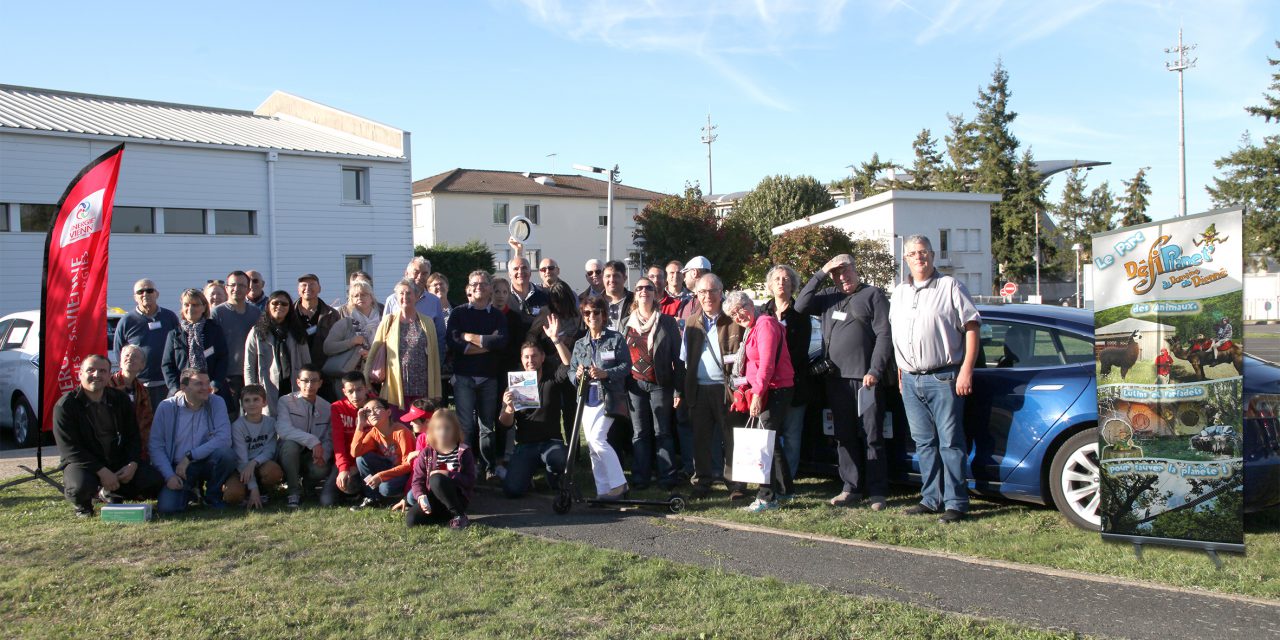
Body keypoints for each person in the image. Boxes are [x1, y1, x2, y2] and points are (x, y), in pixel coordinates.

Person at [889, 235, 981, 524]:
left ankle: (956, 503)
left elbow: (972, 326)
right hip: (911, 380)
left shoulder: (950, 286)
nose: (919, 258)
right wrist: (901, 371)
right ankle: (931, 498)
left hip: (944, 377)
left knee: (950, 443)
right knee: (923, 442)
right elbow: (896, 336)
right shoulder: (899, 292)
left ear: (933, 255)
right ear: (906, 258)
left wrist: (967, 368)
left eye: (924, 252)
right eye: (913, 254)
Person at [796, 255, 893, 509]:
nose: (843, 277)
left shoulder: (873, 295)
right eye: (836, 273)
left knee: (872, 435)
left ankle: (877, 491)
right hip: (836, 380)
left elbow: (884, 334)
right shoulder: (829, 295)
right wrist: (820, 272)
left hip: (866, 379)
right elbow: (800, 306)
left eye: (846, 271)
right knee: (844, 436)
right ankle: (851, 487)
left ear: (855, 269)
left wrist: (875, 369)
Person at [52, 355, 162, 517]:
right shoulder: (65, 406)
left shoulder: (120, 399)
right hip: (84, 464)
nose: (96, 375)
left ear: (109, 375)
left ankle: (111, 493)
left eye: (102, 371)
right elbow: (70, 449)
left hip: (117, 460)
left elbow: (133, 436)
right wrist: (101, 471)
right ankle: (84, 506)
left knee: (155, 481)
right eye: (91, 370)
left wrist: (132, 464)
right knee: (79, 488)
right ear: (80, 374)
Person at [723, 291, 796, 512]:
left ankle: (766, 497)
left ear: (750, 304)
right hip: (766, 389)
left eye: (741, 309)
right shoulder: (752, 328)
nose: (739, 316)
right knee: (771, 442)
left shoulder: (765, 325)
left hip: (775, 390)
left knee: (763, 443)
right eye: (733, 314)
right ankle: (785, 490)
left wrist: (757, 394)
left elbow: (766, 364)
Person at [679, 273, 745, 499]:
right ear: (696, 295)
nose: (708, 296)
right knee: (701, 439)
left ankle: (736, 485)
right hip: (699, 388)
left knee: (732, 438)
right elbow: (685, 359)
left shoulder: (734, 320)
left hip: (728, 389)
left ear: (721, 292)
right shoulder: (690, 322)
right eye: (703, 292)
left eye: (712, 291)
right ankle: (702, 482)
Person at [446, 270, 509, 480]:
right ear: (468, 289)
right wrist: (486, 343)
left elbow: (500, 342)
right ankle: (467, 467)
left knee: (487, 426)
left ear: (490, 289)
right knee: (466, 426)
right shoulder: (458, 313)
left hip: (488, 378)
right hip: (464, 376)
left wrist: (469, 338)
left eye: (483, 284)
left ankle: (488, 466)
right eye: (474, 284)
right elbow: (454, 342)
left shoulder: (498, 316)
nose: (478, 287)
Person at [622, 276, 684, 490]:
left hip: (661, 383)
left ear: (655, 293)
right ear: (635, 293)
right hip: (634, 386)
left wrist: (678, 389)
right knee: (640, 433)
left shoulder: (666, 322)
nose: (643, 291)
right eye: (639, 288)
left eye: (648, 287)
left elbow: (678, 358)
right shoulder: (626, 323)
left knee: (663, 431)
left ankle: (667, 477)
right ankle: (641, 477)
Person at [568, 296, 632, 500]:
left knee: (597, 439)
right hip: (586, 399)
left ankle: (620, 484)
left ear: (604, 315)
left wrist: (606, 374)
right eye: (587, 313)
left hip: (609, 396)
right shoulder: (580, 344)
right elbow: (570, 370)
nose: (592, 316)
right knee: (593, 449)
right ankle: (603, 490)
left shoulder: (616, 339)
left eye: (596, 312)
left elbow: (626, 367)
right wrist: (576, 375)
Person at [150, 368, 237, 513]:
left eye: (207, 383)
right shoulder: (166, 407)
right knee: (168, 508)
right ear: (184, 387)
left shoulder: (217, 402)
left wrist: (190, 456)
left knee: (226, 455)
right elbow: (155, 446)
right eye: (199, 384)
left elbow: (224, 439)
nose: (206, 388)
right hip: (179, 468)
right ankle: (190, 491)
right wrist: (169, 476)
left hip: (207, 461)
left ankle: (212, 496)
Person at [760, 265, 812, 483]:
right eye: (777, 279)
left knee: (791, 435)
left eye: (786, 279)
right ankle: (767, 477)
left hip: (794, 383)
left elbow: (800, 351)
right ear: (770, 285)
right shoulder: (762, 312)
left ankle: (787, 481)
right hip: (767, 385)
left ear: (793, 285)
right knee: (768, 434)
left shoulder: (800, 314)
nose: (782, 282)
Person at [499, 341, 569, 498]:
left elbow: (568, 365)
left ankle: (553, 477)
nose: (530, 360)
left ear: (543, 357)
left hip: (552, 442)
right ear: (521, 359)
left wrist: (556, 340)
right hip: (525, 445)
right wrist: (509, 409)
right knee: (512, 490)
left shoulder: (553, 379)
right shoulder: (515, 385)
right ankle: (527, 475)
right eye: (526, 357)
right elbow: (505, 424)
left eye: (534, 356)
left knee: (558, 459)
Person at [366, 278, 442, 412]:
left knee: (420, 428)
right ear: (396, 297)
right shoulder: (388, 321)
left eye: (409, 293)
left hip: (422, 386)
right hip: (395, 387)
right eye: (401, 293)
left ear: (417, 296)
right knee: (398, 427)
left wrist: (436, 390)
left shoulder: (427, 322)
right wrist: (366, 380)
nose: (404, 297)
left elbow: (434, 357)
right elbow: (374, 352)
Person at [529, 281, 585, 442]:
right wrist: (536, 353)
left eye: (562, 302)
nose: (559, 306)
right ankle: (552, 441)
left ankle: (573, 450)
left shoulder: (577, 315)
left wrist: (570, 340)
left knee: (571, 411)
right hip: (551, 366)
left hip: (571, 367)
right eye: (555, 301)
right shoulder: (547, 313)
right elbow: (532, 335)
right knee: (550, 407)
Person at [114, 278, 180, 410]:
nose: (145, 294)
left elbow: (179, 347)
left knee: (165, 424)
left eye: (149, 290)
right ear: (135, 297)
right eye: (140, 292)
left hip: (167, 383)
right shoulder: (127, 321)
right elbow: (119, 352)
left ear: (157, 294)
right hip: (139, 384)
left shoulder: (169, 317)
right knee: (142, 423)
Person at [275, 364, 333, 508]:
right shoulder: (285, 401)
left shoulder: (327, 407)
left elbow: (329, 437)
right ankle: (293, 491)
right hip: (289, 454)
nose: (309, 385)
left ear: (320, 383)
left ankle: (309, 486)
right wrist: (312, 441)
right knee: (290, 446)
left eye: (314, 381)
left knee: (321, 468)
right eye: (305, 380)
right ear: (298, 382)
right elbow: (283, 429)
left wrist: (323, 456)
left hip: (313, 454)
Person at [406, 409, 476, 529]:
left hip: (456, 498)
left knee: (436, 478)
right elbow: (417, 480)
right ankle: (447, 517)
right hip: (433, 498)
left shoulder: (463, 451)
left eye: (447, 428)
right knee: (411, 520)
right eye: (438, 428)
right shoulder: (426, 452)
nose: (443, 433)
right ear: (432, 430)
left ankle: (459, 515)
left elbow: (470, 481)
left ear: (455, 430)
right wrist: (420, 496)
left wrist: (449, 475)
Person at [243, 290, 311, 413]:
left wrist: (307, 385)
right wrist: (250, 391)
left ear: (289, 308)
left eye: (284, 304)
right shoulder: (257, 332)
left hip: (293, 385)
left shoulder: (298, 331)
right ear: (268, 305)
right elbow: (249, 365)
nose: (279, 306)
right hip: (268, 386)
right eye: (275, 303)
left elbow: (307, 363)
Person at [161, 288, 229, 406]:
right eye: (186, 304)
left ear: (203, 307)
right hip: (183, 394)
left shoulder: (214, 330)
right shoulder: (174, 334)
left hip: (212, 392)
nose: (190, 308)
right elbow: (167, 365)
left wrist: (215, 384)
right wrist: (176, 389)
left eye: (195, 305)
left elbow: (223, 358)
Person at [349, 397, 416, 509]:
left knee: (385, 488)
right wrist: (360, 425)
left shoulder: (401, 432)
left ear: (388, 412)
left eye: (377, 408)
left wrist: (381, 476)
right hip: (388, 468)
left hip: (404, 473)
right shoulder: (373, 433)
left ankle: (399, 497)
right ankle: (372, 497)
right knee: (361, 459)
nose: (373, 413)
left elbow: (408, 466)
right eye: (368, 411)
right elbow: (355, 452)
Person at [213, 270, 262, 421]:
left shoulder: (256, 313)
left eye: (241, 285)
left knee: (252, 418)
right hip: (227, 377)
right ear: (226, 288)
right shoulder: (217, 313)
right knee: (231, 418)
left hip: (251, 375)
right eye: (232, 285)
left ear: (248, 289)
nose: (237, 288)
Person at [227, 384, 283, 509]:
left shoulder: (270, 423)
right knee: (233, 495)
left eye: (256, 399)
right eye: (247, 400)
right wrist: (253, 488)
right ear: (242, 404)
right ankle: (248, 492)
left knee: (274, 472)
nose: (251, 404)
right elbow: (241, 459)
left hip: (260, 464)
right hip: (241, 468)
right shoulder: (237, 426)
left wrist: (254, 463)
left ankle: (264, 491)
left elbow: (270, 450)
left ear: (264, 402)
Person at [326, 371, 376, 506]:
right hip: (347, 460)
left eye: (359, 390)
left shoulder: (375, 405)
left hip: (368, 459)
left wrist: (357, 465)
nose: (355, 395)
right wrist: (344, 468)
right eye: (350, 391)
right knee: (327, 501)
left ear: (366, 388)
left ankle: (367, 493)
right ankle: (354, 492)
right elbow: (338, 441)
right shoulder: (337, 408)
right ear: (344, 392)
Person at [323, 278, 382, 392]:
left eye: (364, 294)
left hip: (378, 378)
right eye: (356, 295)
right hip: (351, 382)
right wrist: (351, 342)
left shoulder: (383, 322)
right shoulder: (345, 323)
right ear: (351, 300)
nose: (360, 297)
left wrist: (371, 355)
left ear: (371, 297)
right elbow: (327, 347)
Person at [383, 257, 447, 356]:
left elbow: (440, 336)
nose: (420, 276)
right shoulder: (392, 300)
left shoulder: (434, 302)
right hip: (395, 361)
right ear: (406, 273)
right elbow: (384, 333)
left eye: (424, 273)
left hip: (426, 363)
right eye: (416, 272)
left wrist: (437, 363)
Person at [294, 274, 342, 400]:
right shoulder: (290, 315)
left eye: (312, 284)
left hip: (324, 374)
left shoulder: (332, 314)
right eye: (304, 285)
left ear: (319, 288)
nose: (307, 288)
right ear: (298, 290)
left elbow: (339, 342)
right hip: (297, 373)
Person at [109, 344, 155, 460]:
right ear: (120, 362)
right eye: (127, 355)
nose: (130, 358)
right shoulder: (108, 385)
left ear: (142, 365)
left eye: (134, 356)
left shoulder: (143, 391)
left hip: (135, 445)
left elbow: (147, 422)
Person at [508, 254, 550, 322]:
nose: (520, 272)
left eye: (524, 268)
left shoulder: (545, 294)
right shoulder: (502, 296)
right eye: (516, 269)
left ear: (530, 272)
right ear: (509, 274)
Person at [601, 260, 634, 332]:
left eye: (616, 276)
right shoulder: (596, 303)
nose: (612, 280)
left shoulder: (634, 301)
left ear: (625, 278)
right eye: (608, 276)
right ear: (602, 279)